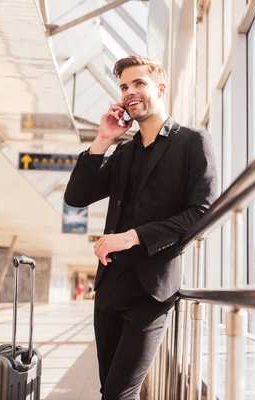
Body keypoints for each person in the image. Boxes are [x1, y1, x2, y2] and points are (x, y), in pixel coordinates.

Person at [64, 54, 218, 399]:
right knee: (111, 390)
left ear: (161, 88)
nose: (129, 91)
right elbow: (76, 197)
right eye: (123, 86)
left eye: (139, 83)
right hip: (108, 289)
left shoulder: (193, 142)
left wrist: (132, 238)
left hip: (151, 291)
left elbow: (203, 211)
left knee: (118, 395)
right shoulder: (122, 154)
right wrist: (103, 139)